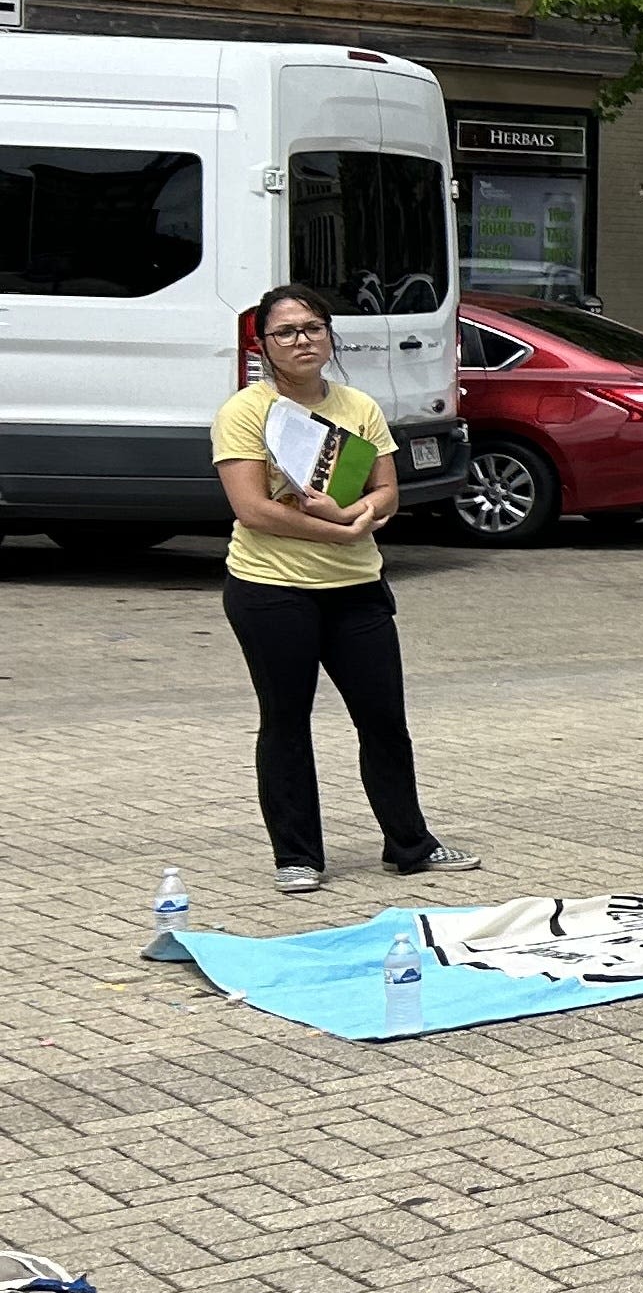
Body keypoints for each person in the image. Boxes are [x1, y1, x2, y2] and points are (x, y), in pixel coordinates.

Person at [208, 281, 480, 897]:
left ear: (330, 335)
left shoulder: (358, 405)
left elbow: (386, 489)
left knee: (384, 719)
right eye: (286, 332)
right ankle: (298, 855)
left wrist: (365, 514)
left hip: (357, 587)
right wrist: (337, 524)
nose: (302, 340)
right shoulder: (246, 412)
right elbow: (253, 509)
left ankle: (409, 846)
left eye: (312, 327)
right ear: (264, 345)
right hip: (271, 589)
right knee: (286, 720)